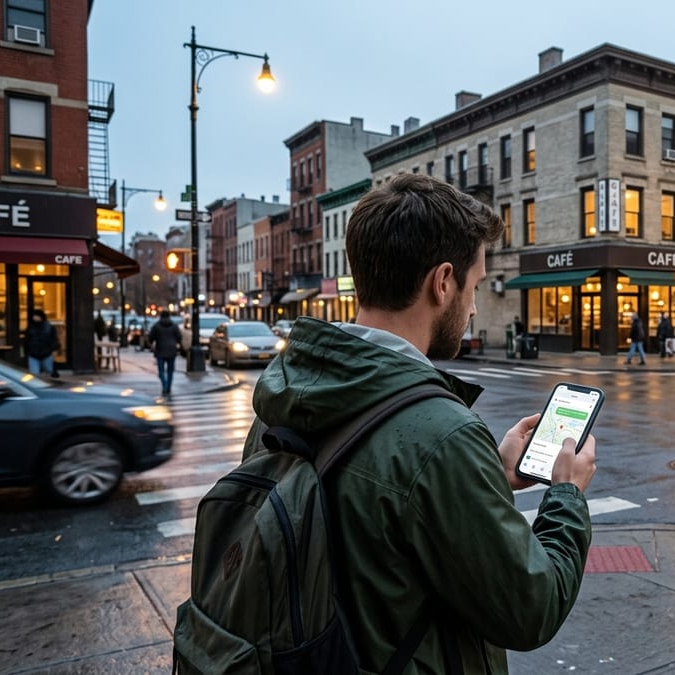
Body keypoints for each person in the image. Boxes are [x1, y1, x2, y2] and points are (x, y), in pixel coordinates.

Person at [241, 174, 597, 673]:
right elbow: (531, 607)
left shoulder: (284, 395)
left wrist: (488, 474)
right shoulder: (442, 433)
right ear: (443, 281)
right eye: (473, 286)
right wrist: (567, 495)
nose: (474, 307)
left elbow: (372, 523)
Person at [148, 310, 182, 398]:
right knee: (170, 371)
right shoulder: (174, 326)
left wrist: (151, 344)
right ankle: (168, 386)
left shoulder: (156, 326)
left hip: (160, 349)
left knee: (161, 371)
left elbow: (151, 337)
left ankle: (164, 385)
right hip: (172, 350)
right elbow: (179, 337)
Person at [23, 308, 59, 377]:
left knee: (49, 372)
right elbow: (27, 340)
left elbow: (54, 339)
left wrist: (52, 349)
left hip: (46, 353)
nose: (35, 317)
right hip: (34, 354)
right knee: (34, 374)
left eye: (36, 316)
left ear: (41, 317)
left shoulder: (49, 327)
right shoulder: (30, 327)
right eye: (34, 316)